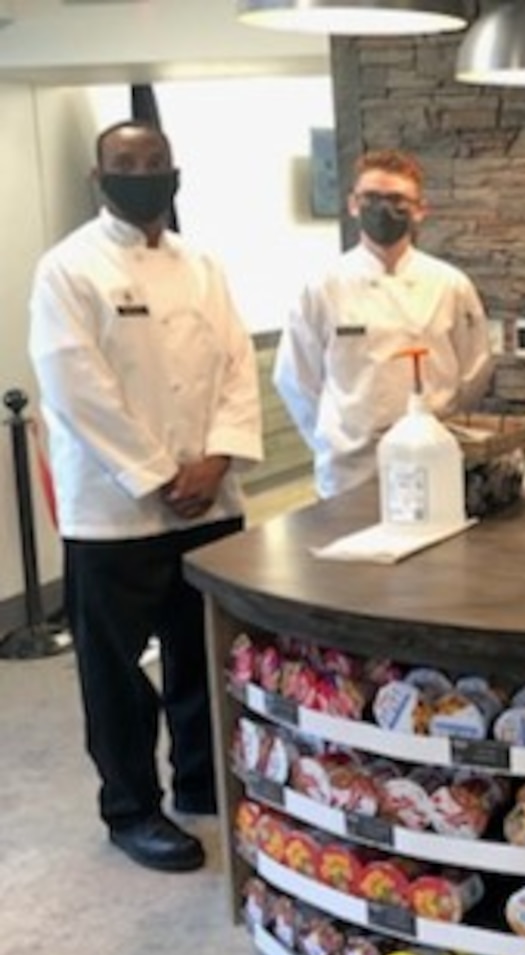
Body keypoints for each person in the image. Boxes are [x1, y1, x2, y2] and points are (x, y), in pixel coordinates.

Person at [28, 120, 263, 872]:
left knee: (203, 655)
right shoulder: (68, 268)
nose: (142, 173)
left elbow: (236, 365)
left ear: (175, 173)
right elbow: (75, 386)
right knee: (117, 673)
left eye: (155, 162)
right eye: (124, 164)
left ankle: (201, 783)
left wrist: (217, 458)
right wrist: (162, 473)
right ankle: (130, 809)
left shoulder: (203, 265)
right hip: (116, 511)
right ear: (99, 179)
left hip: (209, 503)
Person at [274, 149, 492, 498]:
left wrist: (438, 428)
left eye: (396, 199)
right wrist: (333, 435)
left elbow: (475, 370)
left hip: (432, 456)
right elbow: (296, 379)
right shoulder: (323, 286)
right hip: (351, 467)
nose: (383, 209)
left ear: (420, 210)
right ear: (353, 205)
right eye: (371, 198)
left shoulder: (450, 284)